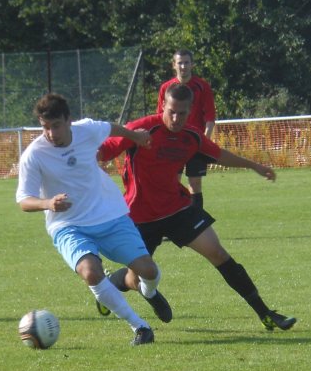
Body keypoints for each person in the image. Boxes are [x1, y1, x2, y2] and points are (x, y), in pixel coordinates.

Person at [98, 83, 296, 332]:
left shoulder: (191, 136)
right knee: (133, 278)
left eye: (182, 113)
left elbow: (220, 155)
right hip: (140, 216)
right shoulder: (141, 129)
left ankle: (266, 314)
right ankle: (112, 284)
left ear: (190, 111)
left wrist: (253, 165)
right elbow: (103, 151)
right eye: (171, 111)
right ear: (163, 106)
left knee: (219, 254)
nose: (176, 118)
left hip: (178, 209)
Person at [16, 93, 171, 346]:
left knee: (149, 270)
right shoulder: (34, 155)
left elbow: (111, 128)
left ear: (69, 120)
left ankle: (149, 291)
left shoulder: (86, 130)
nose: (51, 133)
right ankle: (140, 327)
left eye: (56, 126)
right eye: (45, 127)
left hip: (109, 214)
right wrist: (48, 203)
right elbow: (24, 200)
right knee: (90, 272)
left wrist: (137, 136)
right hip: (68, 225)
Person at [157, 49, 216, 210]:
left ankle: (197, 222)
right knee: (171, 183)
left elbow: (210, 118)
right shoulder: (166, 88)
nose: (183, 66)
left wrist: (203, 143)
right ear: (174, 65)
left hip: (194, 143)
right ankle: (170, 220)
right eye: (180, 63)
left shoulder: (202, 86)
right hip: (172, 144)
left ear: (192, 65)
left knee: (195, 183)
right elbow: (161, 118)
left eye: (186, 62)